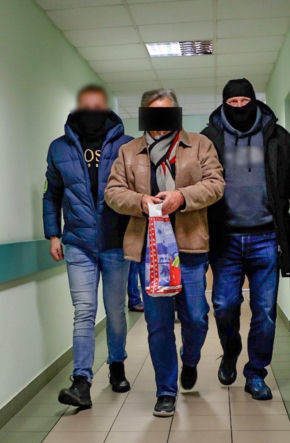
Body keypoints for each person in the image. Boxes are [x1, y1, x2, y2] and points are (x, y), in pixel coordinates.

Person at [105, 88, 224, 417]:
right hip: (149, 251)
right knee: (158, 324)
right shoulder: (128, 151)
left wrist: (181, 197)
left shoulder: (199, 144)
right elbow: (113, 192)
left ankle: (190, 359)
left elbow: (216, 183)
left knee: (196, 318)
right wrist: (140, 202)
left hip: (190, 246)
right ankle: (166, 390)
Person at [202, 78, 290, 400]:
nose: (239, 107)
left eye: (244, 101)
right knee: (223, 305)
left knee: (264, 311)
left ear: (253, 101)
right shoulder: (209, 138)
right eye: (232, 103)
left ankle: (256, 373)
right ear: (224, 105)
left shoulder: (277, 135)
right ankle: (230, 350)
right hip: (225, 238)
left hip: (267, 237)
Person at [43, 84, 134, 409]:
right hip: (78, 243)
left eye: (98, 106)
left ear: (107, 109)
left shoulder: (126, 145)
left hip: (115, 242)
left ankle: (117, 365)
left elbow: (135, 191)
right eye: (87, 106)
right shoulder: (59, 148)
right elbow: (52, 194)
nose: (92, 112)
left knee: (115, 311)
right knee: (83, 312)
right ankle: (81, 381)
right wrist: (53, 234)